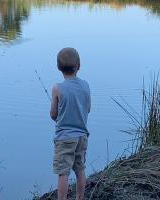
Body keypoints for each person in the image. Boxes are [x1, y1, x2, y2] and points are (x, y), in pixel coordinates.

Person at [50, 47, 91, 200]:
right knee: (80, 169)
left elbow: (53, 114)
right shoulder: (85, 85)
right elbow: (88, 108)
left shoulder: (57, 88)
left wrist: (61, 118)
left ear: (58, 67)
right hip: (82, 136)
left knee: (63, 172)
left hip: (64, 138)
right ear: (79, 66)